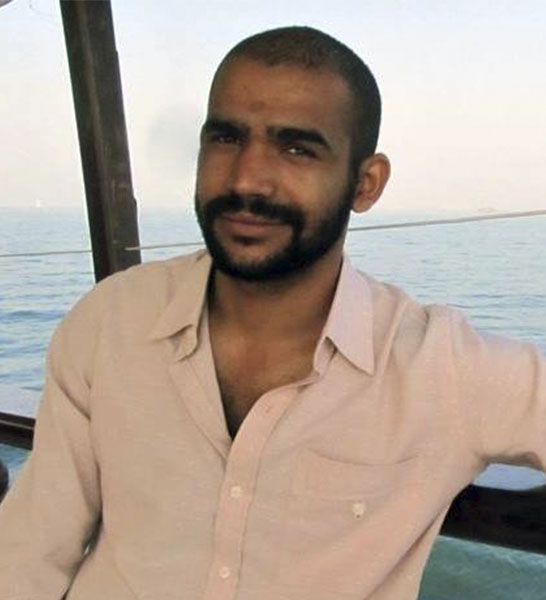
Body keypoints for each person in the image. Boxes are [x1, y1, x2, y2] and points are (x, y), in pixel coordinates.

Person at [0, 25, 544, 600]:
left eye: (296, 148)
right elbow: (32, 551)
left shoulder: (438, 368)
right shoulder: (112, 321)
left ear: (365, 184)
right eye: (226, 138)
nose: (246, 179)